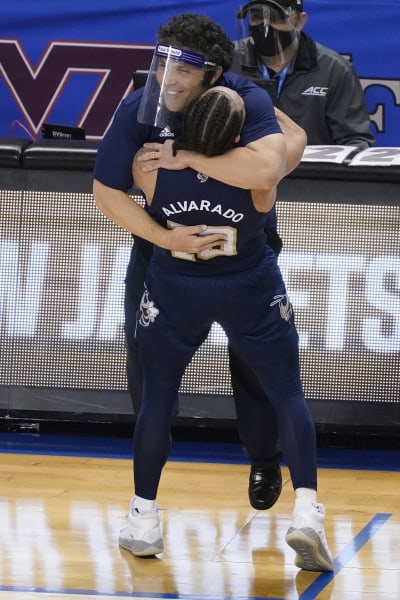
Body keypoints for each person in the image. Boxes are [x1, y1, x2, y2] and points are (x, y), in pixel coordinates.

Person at [115, 83, 333, 572]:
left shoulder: (149, 169)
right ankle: (307, 512)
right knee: (287, 394)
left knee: (156, 399)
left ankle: (145, 518)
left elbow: (120, 185)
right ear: (245, 132)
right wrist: (252, 98)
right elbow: (291, 135)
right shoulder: (261, 176)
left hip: (177, 287)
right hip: (247, 287)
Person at [93, 12, 298, 517]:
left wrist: (191, 158)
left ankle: (265, 457)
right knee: (144, 351)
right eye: (161, 62)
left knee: (254, 356)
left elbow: (289, 148)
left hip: (241, 241)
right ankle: (147, 483)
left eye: (182, 68)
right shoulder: (139, 109)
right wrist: (163, 235)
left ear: (211, 74)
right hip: (167, 245)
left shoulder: (243, 98)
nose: (167, 77)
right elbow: (105, 190)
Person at [233, 0, 375, 149]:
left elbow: (355, 140)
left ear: (300, 20)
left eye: (275, 19)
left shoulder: (333, 69)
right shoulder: (228, 59)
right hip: (244, 167)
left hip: (310, 170)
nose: (265, 26)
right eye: (257, 17)